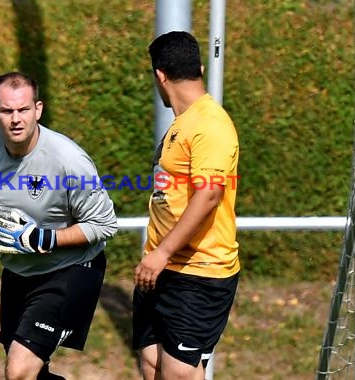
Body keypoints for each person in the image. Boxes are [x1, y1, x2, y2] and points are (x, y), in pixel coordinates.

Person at [0, 71, 117, 380]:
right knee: (32, 374)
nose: (16, 119)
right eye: (7, 111)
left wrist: (43, 237)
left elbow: (105, 224)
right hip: (19, 271)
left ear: (38, 109)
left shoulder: (69, 161)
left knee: (19, 371)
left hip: (72, 269)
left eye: (23, 110)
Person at [132, 31, 240, 380]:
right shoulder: (184, 123)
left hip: (198, 273)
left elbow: (209, 196)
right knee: (152, 364)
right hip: (161, 270)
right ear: (200, 68)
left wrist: (162, 252)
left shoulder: (210, 124)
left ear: (160, 75)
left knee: (180, 374)